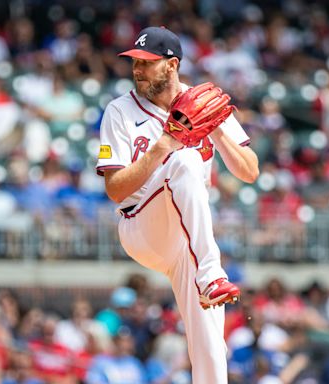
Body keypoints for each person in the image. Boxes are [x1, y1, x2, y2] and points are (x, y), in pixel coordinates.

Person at [96, 26, 259, 383]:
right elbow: (115, 190)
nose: (137, 69)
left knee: (211, 344)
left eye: (147, 63)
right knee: (184, 161)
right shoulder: (119, 111)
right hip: (143, 226)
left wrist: (216, 129)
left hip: (190, 243)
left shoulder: (203, 100)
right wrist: (164, 145)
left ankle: (209, 279)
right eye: (134, 62)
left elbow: (249, 171)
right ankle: (212, 275)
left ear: (172, 65)